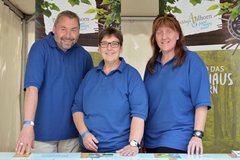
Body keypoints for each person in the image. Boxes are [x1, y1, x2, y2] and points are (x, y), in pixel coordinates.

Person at [15, 10, 93, 154]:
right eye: (63, 29)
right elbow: (32, 89)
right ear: (54, 28)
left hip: (73, 135)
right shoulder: (39, 49)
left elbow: (90, 95)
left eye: (73, 30)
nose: (68, 35)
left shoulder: (84, 56)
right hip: (42, 135)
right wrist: (27, 125)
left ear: (79, 32)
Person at [71, 27, 148, 156]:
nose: (109, 48)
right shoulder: (90, 76)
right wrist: (84, 134)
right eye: (105, 44)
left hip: (121, 151)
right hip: (90, 151)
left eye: (114, 44)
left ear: (121, 48)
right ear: (99, 48)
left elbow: (139, 113)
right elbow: (77, 108)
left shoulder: (131, 76)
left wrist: (133, 144)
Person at [143, 14, 211, 155]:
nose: (164, 36)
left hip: (178, 137)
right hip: (149, 139)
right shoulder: (151, 65)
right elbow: (145, 104)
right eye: (159, 32)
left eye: (169, 31)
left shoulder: (192, 61)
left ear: (178, 35)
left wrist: (197, 135)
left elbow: (201, 102)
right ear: (154, 37)